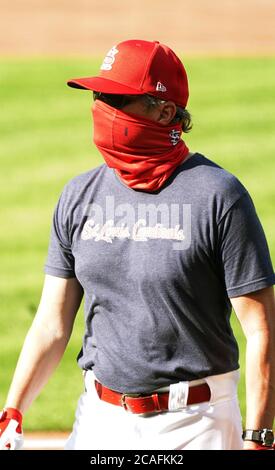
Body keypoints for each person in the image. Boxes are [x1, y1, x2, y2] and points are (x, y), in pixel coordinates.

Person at [0, 39, 274, 451]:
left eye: (117, 98)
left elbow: (261, 329)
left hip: (196, 423)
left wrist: (259, 436)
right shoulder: (80, 195)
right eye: (99, 95)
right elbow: (52, 324)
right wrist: (13, 409)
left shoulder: (219, 197)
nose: (101, 108)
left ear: (165, 111)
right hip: (98, 418)